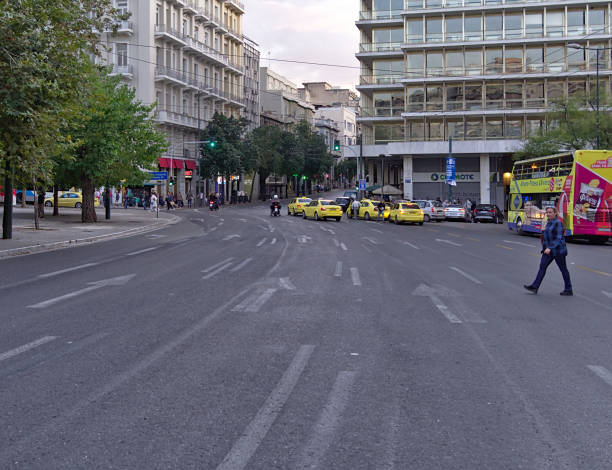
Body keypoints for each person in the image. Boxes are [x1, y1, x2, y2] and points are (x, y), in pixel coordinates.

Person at [524, 206, 573, 296]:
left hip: (558, 251)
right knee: (542, 267)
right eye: (547, 212)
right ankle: (535, 286)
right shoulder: (548, 223)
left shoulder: (558, 223)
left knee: (563, 270)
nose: (549, 214)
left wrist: (550, 248)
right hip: (548, 251)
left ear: (555, 213)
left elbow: (558, 238)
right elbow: (547, 236)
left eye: (550, 212)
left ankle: (568, 289)